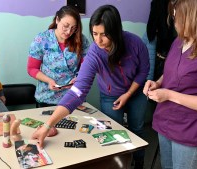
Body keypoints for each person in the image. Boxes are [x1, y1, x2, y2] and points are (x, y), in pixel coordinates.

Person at [31, 5, 150, 168]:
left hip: (136, 92)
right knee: (113, 132)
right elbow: (77, 91)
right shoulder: (94, 52)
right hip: (110, 95)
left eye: (104, 35)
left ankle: (139, 162)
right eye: (95, 34)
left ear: (115, 31)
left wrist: (128, 94)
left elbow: (144, 70)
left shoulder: (135, 42)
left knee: (137, 129)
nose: (98, 40)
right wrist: (47, 125)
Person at [143, 0, 197, 168]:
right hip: (166, 120)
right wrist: (157, 83)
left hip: (190, 129)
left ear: (195, 18)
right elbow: (172, 71)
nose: (175, 23)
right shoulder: (179, 42)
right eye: (175, 16)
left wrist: (169, 94)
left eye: (179, 18)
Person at [27, 5, 89, 108]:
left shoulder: (81, 40)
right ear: (57, 20)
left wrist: (78, 78)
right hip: (46, 97)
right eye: (66, 26)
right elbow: (32, 68)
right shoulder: (41, 39)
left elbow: (87, 66)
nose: (69, 31)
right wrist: (49, 81)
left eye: (73, 28)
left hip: (73, 96)